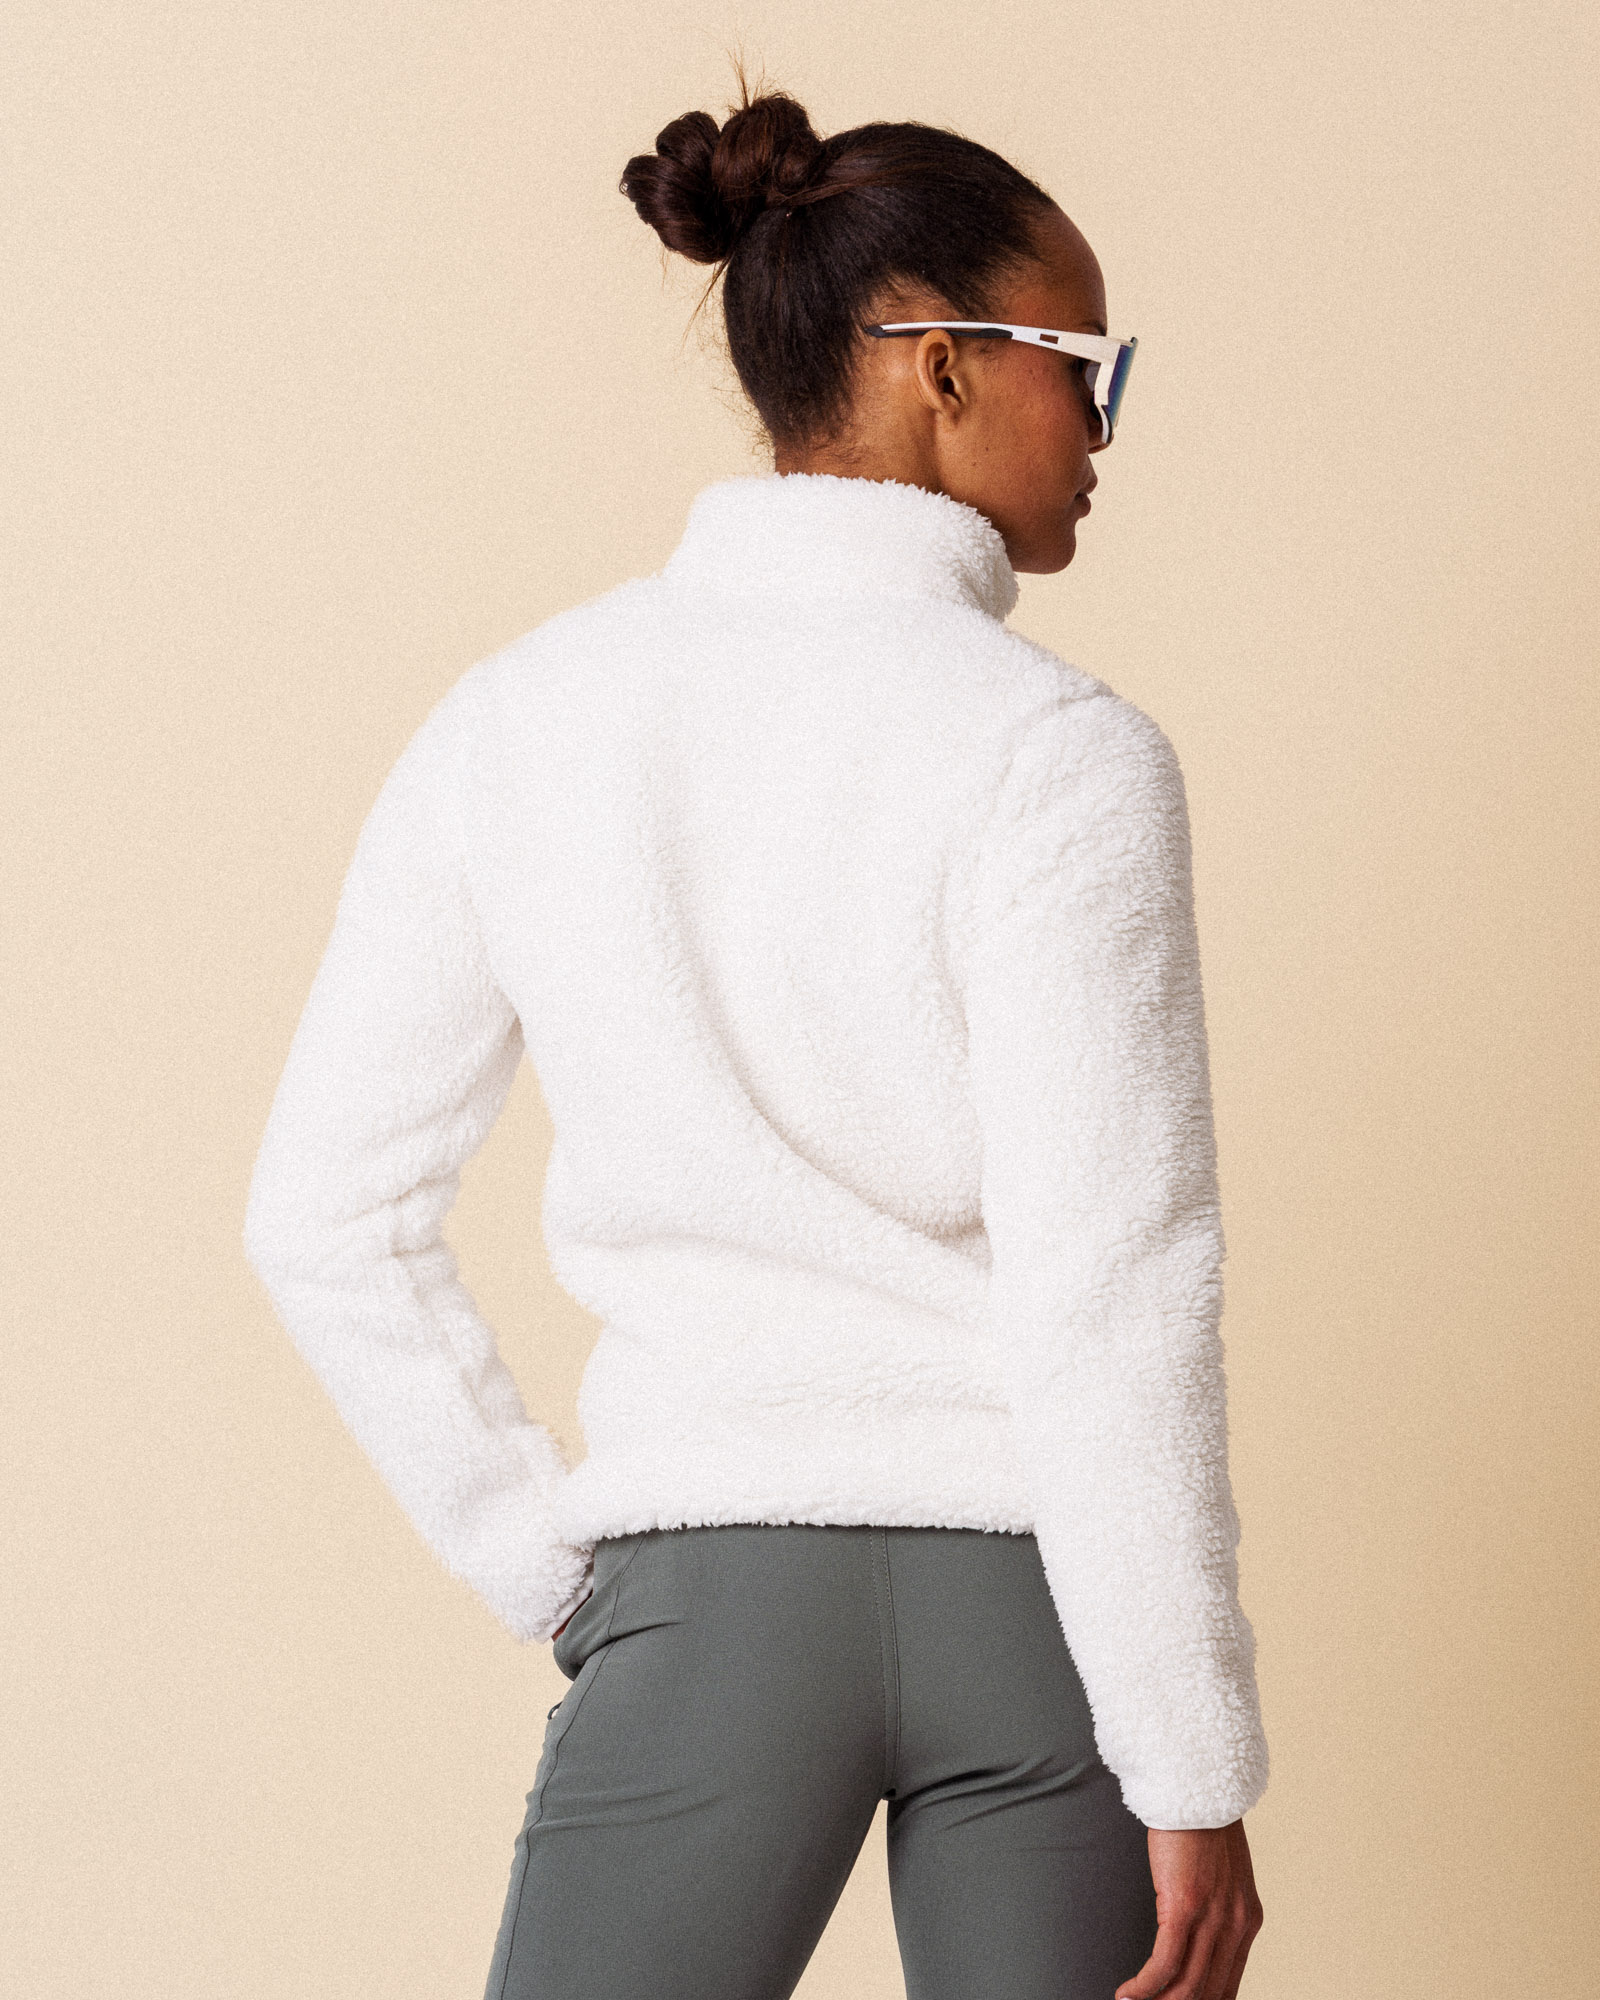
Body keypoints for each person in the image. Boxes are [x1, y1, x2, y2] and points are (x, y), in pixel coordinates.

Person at [244, 74, 1268, 2000]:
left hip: (704, 1591)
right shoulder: (1063, 755)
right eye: (1086, 367)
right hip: (1040, 1607)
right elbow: (1115, 1286)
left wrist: (550, 1561)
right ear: (938, 366)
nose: (1103, 428)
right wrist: (1192, 1759)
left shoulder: (525, 719)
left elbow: (324, 1214)